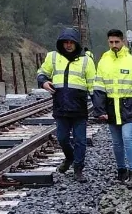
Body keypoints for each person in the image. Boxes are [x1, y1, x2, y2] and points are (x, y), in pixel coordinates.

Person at [92, 29, 132, 184]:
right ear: (108, 42)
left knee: (128, 137)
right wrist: (99, 110)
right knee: (116, 142)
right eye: (111, 42)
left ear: (123, 42)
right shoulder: (103, 61)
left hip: (130, 106)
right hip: (111, 107)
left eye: (117, 42)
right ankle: (121, 169)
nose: (114, 45)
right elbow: (99, 88)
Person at [37, 28, 95, 182]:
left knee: (80, 140)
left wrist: (99, 107)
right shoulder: (53, 57)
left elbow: (93, 86)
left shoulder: (86, 61)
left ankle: (78, 169)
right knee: (62, 138)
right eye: (66, 42)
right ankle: (69, 158)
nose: (68, 45)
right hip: (61, 107)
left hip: (79, 109)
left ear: (76, 44)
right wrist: (43, 81)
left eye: (71, 42)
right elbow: (42, 72)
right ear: (61, 43)